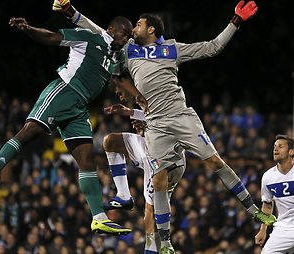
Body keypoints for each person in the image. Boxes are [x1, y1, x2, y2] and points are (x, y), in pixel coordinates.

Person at [52, 0, 276, 253]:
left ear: (151, 30)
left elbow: (212, 48)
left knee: (215, 162)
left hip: (181, 116)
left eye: (138, 24)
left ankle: (254, 211)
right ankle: (166, 243)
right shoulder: (129, 49)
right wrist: (72, 13)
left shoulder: (172, 48)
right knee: (158, 180)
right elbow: (99, 31)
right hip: (156, 124)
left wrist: (235, 21)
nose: (133, 28)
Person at [0, 13, 147, 236]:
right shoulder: (90, 37)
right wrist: (28, 29)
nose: (126, 39)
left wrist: (137, 98)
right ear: (112, 29)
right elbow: (52, 38)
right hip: (64, 91)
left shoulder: (116, 57)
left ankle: (99, 219)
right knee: (28, 133)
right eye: (124, 34)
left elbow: (119, 78)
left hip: (80, 108)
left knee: (87, 160)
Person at [103, 102, 185, 254]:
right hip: (146, 144)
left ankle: (151, 250)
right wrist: (132, 114)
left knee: (151, 207)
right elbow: (149, 114)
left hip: (163, 158)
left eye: (119, 90)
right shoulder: (142, 92)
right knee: (110, 142)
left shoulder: (165, 95)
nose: (119, 95)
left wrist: (137, 119)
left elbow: (169, 127)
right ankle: (123, 195)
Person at [254, 135, 294, 253]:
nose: (275, 149)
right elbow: (267, 206)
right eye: (274, 147)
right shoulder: (268, 177)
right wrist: (263, 230)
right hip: (283, 228)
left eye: (280, 146)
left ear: (291, 151)